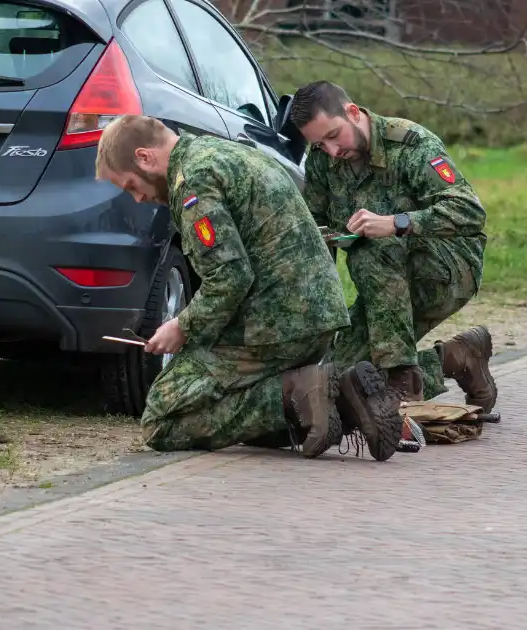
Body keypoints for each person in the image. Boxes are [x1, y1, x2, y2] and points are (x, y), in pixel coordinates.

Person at [94, 114, 393, 459]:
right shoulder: (223, 153)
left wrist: (183, 326)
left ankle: (301, 393)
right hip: (314, 318)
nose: (137, 198)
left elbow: (229, 278)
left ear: (145, 158)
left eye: (131, 186)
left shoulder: (193, 181)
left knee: (162, 418)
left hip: (275, 325)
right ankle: (339, 402)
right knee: (216, 401)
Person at [287, 80, 498, 456]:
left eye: (335, 136)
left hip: (448, 267)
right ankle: (457, 357)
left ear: (353, 113)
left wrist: (397, 222)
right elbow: (314, 227)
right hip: (383, 290)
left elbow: (469, 211)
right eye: (320, 144)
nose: (333, 151)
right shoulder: (322, 162)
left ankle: (405, 390)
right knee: (342, 380)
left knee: (374, 248)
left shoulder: (412, 145)